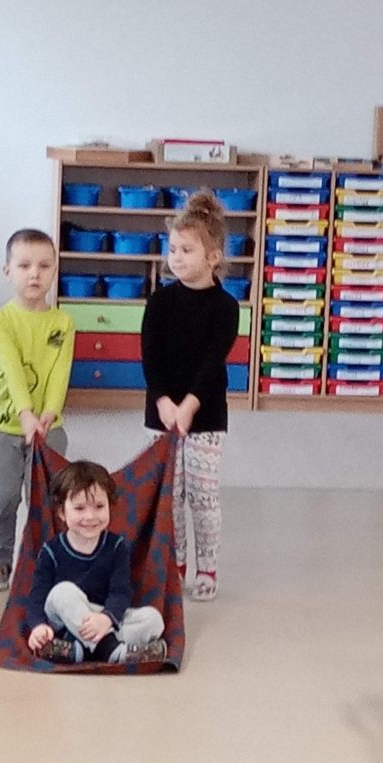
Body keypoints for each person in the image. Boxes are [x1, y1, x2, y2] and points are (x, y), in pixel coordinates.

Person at [140, 189, 240, 601]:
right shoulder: (159, 302)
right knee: (169, 496)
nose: (176, 258)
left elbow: (212, 363)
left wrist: (189, 407)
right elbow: (150, 357)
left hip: (206, 416)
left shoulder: (226, 307)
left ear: (213, 256)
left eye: (187, 250)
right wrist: (164, 402)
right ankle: (175, 563)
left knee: (202, 496)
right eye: (173, 250)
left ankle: (207, 567)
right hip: (161, 415)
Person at [0, 228, 76, 591]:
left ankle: (44, 561)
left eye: (44, 266)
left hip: (49, 428)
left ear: (54, 271)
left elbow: (60, 373)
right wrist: (25, 414)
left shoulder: (63, 324)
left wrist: (49, 413)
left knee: (46, 500)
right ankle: (0, 559)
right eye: (24, 266)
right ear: (8, 271)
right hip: (4, 426)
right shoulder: (0, 321)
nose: (34, 274)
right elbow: (12, 369)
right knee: (2, 499)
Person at [26, 460, 166, 664]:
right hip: (66, 620)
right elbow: (37, 597)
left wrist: (106, 619)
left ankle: (81, 650)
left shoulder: (116, 546)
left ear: (110, 506)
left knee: (153, 620)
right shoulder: (51, 551)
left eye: (99, 506)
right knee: (62, 592)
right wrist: (38, 626)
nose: (90, 516)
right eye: (79, 508)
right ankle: (111, 651)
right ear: (62, 513)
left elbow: (120, 592)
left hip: (101, 617)